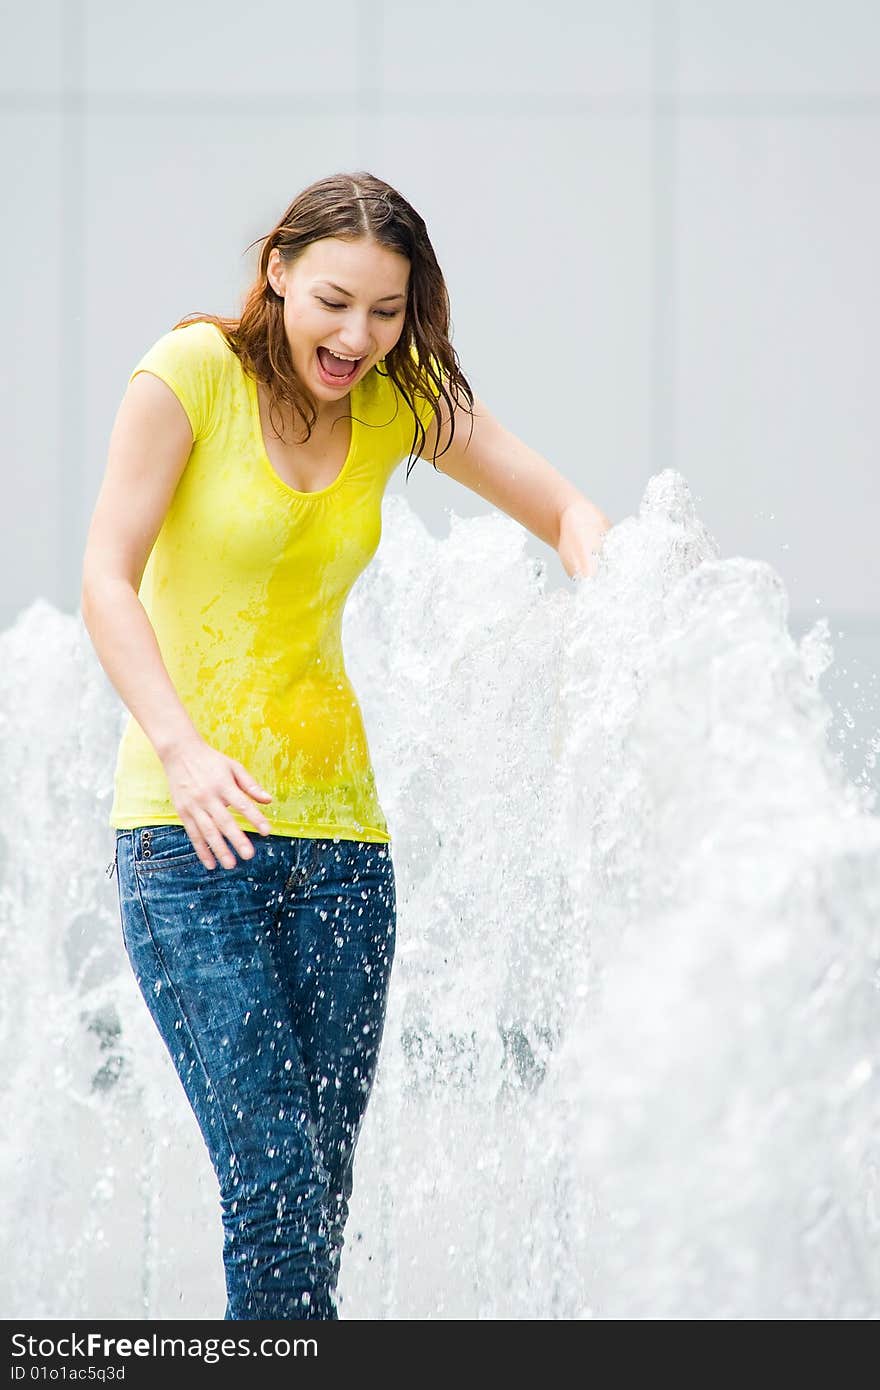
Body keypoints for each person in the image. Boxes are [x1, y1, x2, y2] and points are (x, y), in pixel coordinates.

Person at [80, 170, 612, 1320]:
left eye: (387, 312)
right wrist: (179, 747)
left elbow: (571, 513)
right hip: (189, 836)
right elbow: (105, 580)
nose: (357, 336)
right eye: (333, 301)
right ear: (276, 272)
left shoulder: (396, 398)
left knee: (316, 1193)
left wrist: (627, 607)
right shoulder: (189, 375)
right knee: (272, 1182)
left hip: (343, 850)